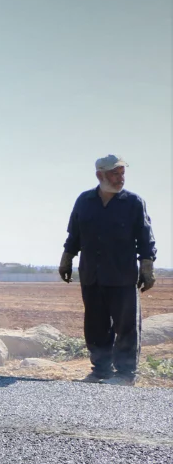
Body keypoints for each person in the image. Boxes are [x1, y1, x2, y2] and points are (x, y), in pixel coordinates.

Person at [59, 154, 157, 386]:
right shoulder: (84, 201)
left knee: (126, 327)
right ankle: (100, 371)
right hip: (91, 275)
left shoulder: (133, 202)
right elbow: (74, 235)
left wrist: (147, 267)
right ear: (99, 175)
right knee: (95, 326)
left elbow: (146, 239)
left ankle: (125, 374)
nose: (120, 178)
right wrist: (66, 259)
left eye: (122, 173)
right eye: (115, 174)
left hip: (122, 275)